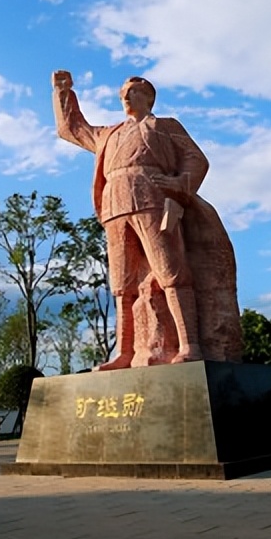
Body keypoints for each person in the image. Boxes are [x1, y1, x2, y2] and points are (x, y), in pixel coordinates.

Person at [52, 70, 208, 369]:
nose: (125, 97)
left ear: (149, 97)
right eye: (123, 93)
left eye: (132, 91)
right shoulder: (109, 134)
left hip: (153, 199)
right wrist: (62, 93)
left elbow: (196, 159)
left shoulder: (165, 126)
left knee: (170, 271)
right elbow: (71, 128)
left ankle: (190, 345)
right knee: (123, 284)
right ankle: (126, 353)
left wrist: (181, 185)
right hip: (115, 206)